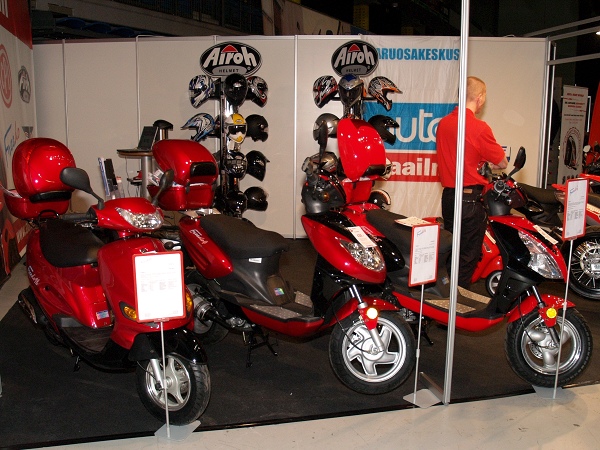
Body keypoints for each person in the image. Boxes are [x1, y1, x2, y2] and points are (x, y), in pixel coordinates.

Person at [436, 76, 508, 288]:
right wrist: (486, 163)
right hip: (470, 200)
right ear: (480, 97)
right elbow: (502, 162)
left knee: (453, 252)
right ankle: (457, 302)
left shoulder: (443, 124)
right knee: (467, 257)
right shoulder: (479, 128)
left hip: (450, 198)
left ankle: (446, 298)